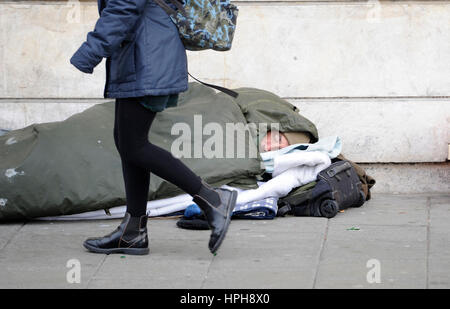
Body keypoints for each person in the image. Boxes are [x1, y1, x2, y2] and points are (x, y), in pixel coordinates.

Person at [69, 0, 237, 255]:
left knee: (133, 145)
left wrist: (90, 51)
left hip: (147, 56)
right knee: (128, 142)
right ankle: (133, 231)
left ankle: (213, 200)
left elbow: (123, 8)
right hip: (146, 54)